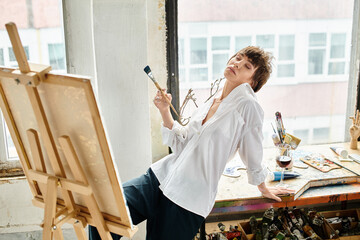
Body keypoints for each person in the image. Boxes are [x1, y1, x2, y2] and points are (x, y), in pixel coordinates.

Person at [89, 46, 295, 240]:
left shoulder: (248, 106)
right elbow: (184, 142)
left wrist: (262, 187)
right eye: (238, 57)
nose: (238, 63)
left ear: (253, 83)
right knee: (104, 211)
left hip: (187, 199)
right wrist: (164, 111)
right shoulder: (214, 99)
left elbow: (253, 150)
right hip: (160, 178)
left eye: (247, 66)